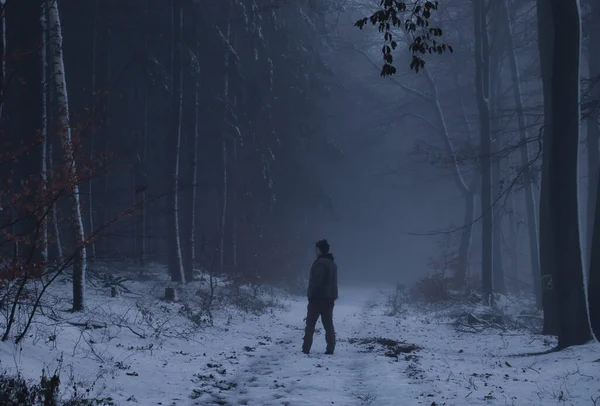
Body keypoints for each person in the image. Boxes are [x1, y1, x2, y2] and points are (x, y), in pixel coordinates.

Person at [302, 239, 338, 355]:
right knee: (328, 324)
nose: (315, 251)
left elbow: (316, 282)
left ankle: (306, 348)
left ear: (321, 250)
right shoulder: (332, 263)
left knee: (310, 324)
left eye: (317, 249)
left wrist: (311, 295)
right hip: (329, 299)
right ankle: (331, 347)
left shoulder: (320, 263)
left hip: (318, 299)